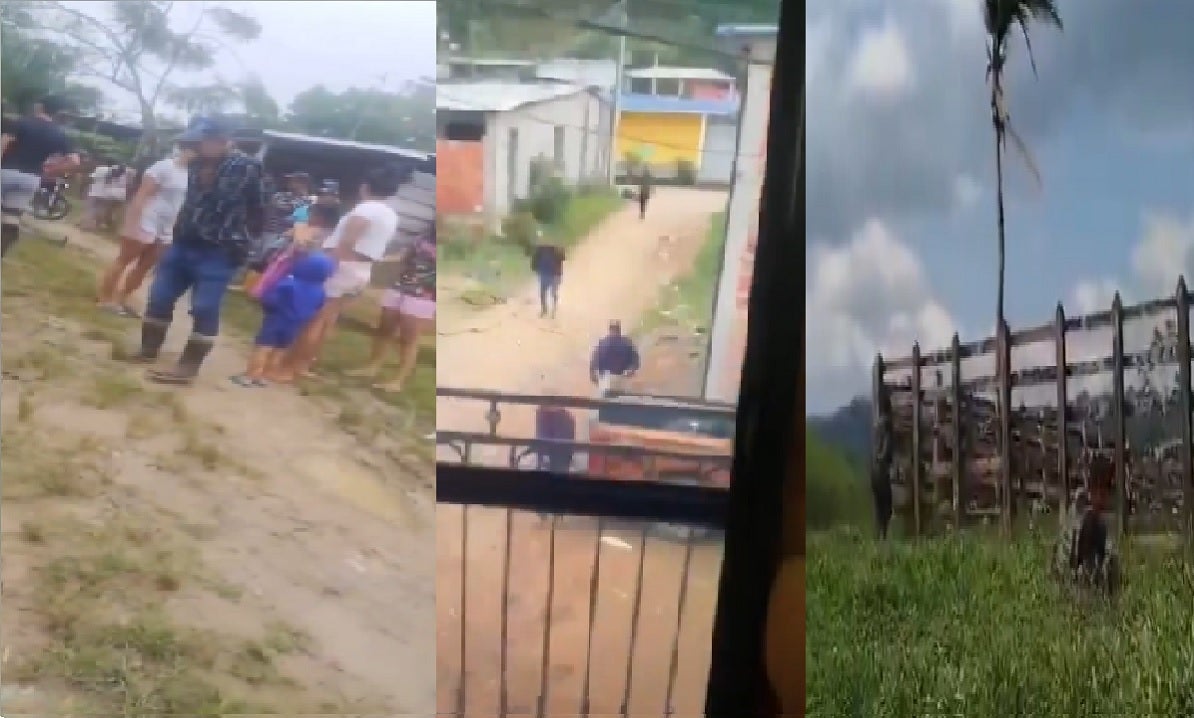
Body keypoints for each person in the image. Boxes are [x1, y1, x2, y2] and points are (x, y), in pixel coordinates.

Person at [129, 116, 266, 386]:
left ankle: (188, 367)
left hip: (219, 250)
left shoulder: (247, 167)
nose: (193, 146)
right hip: (184, 242)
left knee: (204, 307)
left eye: (200, 141)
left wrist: (242, 241)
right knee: (159, 296)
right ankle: (148, 350)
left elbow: (259, 209)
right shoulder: (194, 164)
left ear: (221, 140)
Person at [274, 165, 404, 383]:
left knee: (313, 320)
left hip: (341, 267)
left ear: (365, 187)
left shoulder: (365, 210)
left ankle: (290, 368)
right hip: (361, 270)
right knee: (327, 320)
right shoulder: (390, 215)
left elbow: (346, 244)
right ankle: (305, 365)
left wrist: (325, 266)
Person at [97, 143, 196, 316]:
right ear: (187, 149)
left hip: (166, 225)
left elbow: (179, 203)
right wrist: (133, 222)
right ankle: (105, 298)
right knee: (125, 260)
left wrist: (173, 228)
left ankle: (121, 299)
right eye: (195, 150)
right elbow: (142, 194)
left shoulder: (189, 174)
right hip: (147, 217)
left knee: (145, 266)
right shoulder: (164, 166)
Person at [346, 228, 436, 392]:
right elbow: (405, 257)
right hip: (400, 286)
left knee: (408, 338)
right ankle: (372, 367)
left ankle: (398, 381)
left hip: (424, 294)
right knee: (384, 328)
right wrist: (380, 259)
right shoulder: (422, 238)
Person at [231, 251, 334, 387]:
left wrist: (266, 305)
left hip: (276, 320)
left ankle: (250, 376)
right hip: (295, 325)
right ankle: (265, 376)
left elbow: (271, 300)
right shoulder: (320, 291)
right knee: (280, 350)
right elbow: (317, 308)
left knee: (263, 348)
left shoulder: (288, 284)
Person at [0, 95, 81, 257]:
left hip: (7, 171)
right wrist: (51, 171)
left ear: (39, 106)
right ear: (57, 112)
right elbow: (75, 161)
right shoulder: (59, 134)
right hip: (31, 178)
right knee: (11, 215)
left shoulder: (21, 122)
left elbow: (3, 144)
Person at [589, 320, 640, 387]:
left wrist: (632, 369)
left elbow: (635, 359)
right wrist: (592, 374)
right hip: (606, 378)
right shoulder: (602, 344)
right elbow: (594, 361)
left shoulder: (627, 343)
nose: (614, 332)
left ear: (619, 330)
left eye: (616, 329)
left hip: (622, 377)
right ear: (609, 330)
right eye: (613, 329)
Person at [531, 240, 565, 318]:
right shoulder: (540, 249)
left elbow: (563, 257)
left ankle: (553, 309)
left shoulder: (555, 249)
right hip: (545, 274)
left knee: (552, 292)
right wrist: (535, 268)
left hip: (555, 275)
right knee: (543, 293)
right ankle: (545, 309)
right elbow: (534, 260)